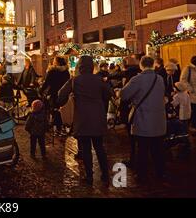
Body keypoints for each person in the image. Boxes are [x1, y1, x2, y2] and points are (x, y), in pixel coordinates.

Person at [57, 56, 111, 186]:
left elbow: (60, 95)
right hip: (98, 118)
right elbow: (108, 95)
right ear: (92, 67)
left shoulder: (75, 81)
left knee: (86, 148)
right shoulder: (99, 80)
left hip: (82, 118)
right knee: (99, 147)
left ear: (79, 67)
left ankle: (89, 176)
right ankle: (105, 174)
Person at [121, 56, 166, 184]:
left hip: (143, 120)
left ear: (141, 65)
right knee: (158, 149)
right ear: (152, 65)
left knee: (142, 149)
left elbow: (124, 95)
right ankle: (160, 173)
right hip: (158, 121)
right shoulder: (160, 78)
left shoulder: (137, 79)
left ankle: (142, 175)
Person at [40, 56, 70, 135]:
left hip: (54, 93)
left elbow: (47, 83)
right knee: (61, 110)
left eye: (54, 60)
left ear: (57, 62)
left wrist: (41, 90)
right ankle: (62, 127)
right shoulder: (66, 72)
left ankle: (57, 128)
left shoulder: (52, 71)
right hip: (64, 94)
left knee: (54, 110)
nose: (53, 62)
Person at [180, 56, 196, 131]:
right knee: (193, 109)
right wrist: (190, 89)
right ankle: (192, 126)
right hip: (192, 94)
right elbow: (183, 80)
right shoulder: (188, 69)